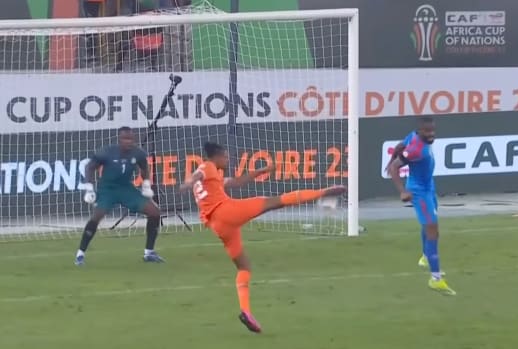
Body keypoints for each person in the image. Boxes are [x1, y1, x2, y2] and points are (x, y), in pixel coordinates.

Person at [180, 142, 346, 333]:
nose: (227, 159)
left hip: (219, 226)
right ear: (215, 156)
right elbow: (197, 175)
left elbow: (237, 182)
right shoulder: (206, 167)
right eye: (225, 156)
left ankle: (245, 311)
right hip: (225, 212)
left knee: (244, 267)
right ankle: (324, 192)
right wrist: (187, 183)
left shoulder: (213, 174)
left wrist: (263, 170)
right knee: (275, 202)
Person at [387, 117, 455, 296]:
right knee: (433, 229)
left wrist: (393, 157)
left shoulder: (414, 137)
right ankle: (436, 279)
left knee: (432, 226)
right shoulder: (417, 150)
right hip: (419, 192)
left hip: (428, 186)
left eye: (433, 131)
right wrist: (402, 191)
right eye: (427, 131)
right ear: (420, 130)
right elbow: (395, 168)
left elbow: (400, 145)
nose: (431, 134)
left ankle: (426, 257)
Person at [76, 127, 164, 265]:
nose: (128, 142)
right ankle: (80, 254)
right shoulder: (107, 152)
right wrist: (89, 189)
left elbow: (145, 168)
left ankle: (149, 253)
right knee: (97, 216)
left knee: (154, 212)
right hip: (107, 189)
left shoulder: (138, 153)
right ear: (119, 139)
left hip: (126, 189)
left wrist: (146, 185)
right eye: (125, 139)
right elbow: (90, 167)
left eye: (130, 139)